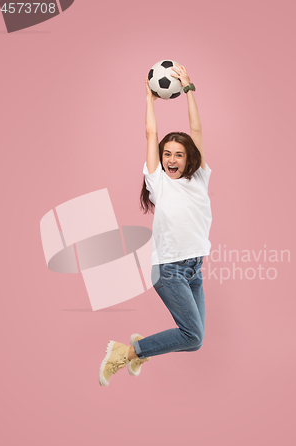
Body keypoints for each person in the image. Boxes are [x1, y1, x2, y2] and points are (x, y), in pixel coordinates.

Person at [99, 64, 212, 386]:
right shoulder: (158, 182)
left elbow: (198, 129)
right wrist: (149, 98)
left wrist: (189, 89)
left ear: (190, 158)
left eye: (178, 154)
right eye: (167, 154)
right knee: (193, 336)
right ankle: (128, 351)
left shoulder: (200, 178)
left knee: (195, 338)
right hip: (169, 269)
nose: (172, 159)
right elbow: (150, 132)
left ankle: (141, 350)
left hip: (193, 267)